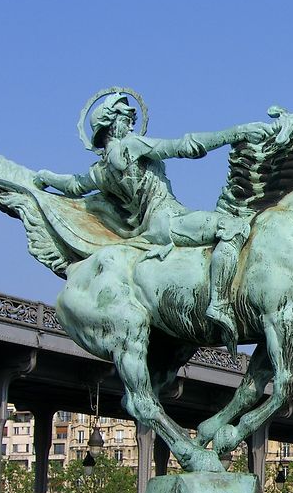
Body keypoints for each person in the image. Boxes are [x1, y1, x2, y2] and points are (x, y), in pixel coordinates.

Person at [34, 92, 275, 351]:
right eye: (126, 119)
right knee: (234, 226)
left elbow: (73, 185)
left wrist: (47, 177)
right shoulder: (131, 146)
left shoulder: (100, 171)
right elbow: (185, 146)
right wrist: (237, 133)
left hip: (151, 227)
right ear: (111, 124)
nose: (130, 124)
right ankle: (219, 303)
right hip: (170, 218)